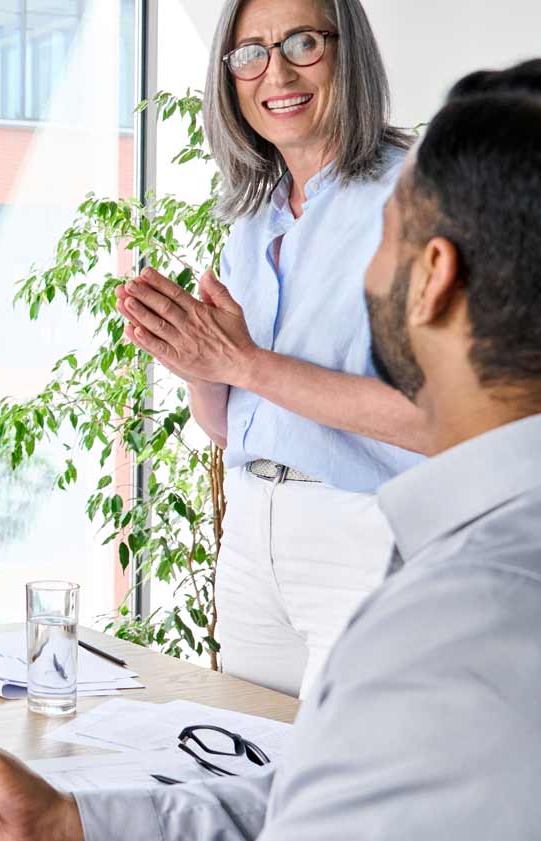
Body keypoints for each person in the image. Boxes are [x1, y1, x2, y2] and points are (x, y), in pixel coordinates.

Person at [0, 58, 541, 841]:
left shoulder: (461, 616)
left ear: (432, 278)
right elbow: (316, 786)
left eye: (382, 235)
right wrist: (71, 823)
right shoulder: (471, 570)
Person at [115, 0, 428, 697]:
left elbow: (441, 420)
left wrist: (242, 362)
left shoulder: (419, 194)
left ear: (349, 52)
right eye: (249, 52)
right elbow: (236, 425)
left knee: (348, 790)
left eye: (302, 42)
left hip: (366, 532)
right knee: (248, 769)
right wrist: (200, 367)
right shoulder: (252, 215)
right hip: (253, 533)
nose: (275, 70)